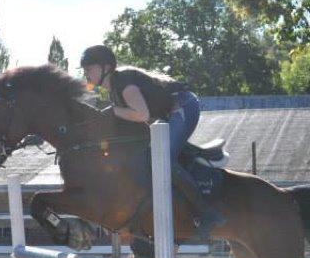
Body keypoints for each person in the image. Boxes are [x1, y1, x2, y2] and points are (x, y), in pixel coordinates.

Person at [79, 44, 225, 239]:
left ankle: (206, 212)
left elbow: (142, 114)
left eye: (89, 69)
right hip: (169, 114)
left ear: (105, 67)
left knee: (163, 159)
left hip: (183, 107)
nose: (86, 74)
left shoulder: (124, 83)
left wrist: (112, 111)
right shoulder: (114, 88)